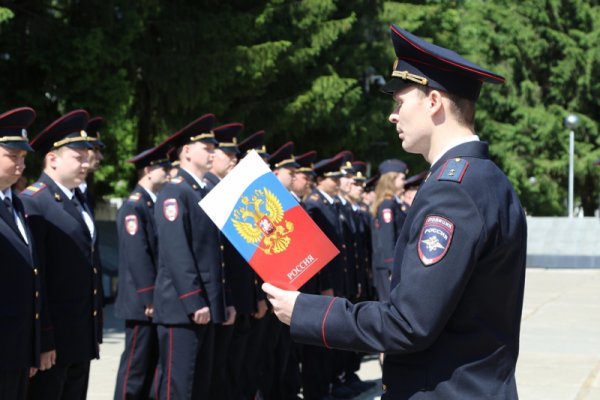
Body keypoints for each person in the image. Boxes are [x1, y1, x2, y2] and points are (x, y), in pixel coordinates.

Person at [263, 24, 527, 399]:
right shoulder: (486, 179)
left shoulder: (453, 193)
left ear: (433, 101)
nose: (392, 115)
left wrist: (305, 311)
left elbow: (409, 322)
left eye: (400, 101)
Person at [21, 109, 103, 400]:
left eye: (86, 156)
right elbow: (37, 280)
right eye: (77, 156)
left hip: (80, 334)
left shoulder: (79, 199)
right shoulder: (35, 202)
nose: (85, 163)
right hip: (55, 340)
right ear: (52, 158)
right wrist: (44, 338)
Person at [153, 113, 234, 399]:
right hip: (183, 310)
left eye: (213, 147)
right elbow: (178, 252)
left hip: (206, 306)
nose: (213, 152)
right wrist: (193, 299)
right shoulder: (175, 192)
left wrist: (223, 302)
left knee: (202, 384)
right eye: (206, 147)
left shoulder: (203, 191)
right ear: (186, 151)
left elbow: (216, 254)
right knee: (180, 387)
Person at [113, 143, 171, 400]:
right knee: (135, 368)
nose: (169, 173)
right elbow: (139, 256)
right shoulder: (134, 206)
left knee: (150, 367)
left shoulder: (152, 203)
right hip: (141, 303)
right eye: (163, 168)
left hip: (153, 300)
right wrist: (149, 297)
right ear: (148, 170)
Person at [0, 107, 40, 400]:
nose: (20, 164)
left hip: (16, 349)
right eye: (12, 156)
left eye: (23, 157)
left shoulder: (17, 205)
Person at [371, 158, 409, 301]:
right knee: (389, 304)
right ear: (392, 179)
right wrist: (392, 266)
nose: (404, 182)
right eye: (402, 178)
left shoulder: (394, 203)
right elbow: (388, 237)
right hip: (387, 265)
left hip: (392, 264)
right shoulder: (387, 205)